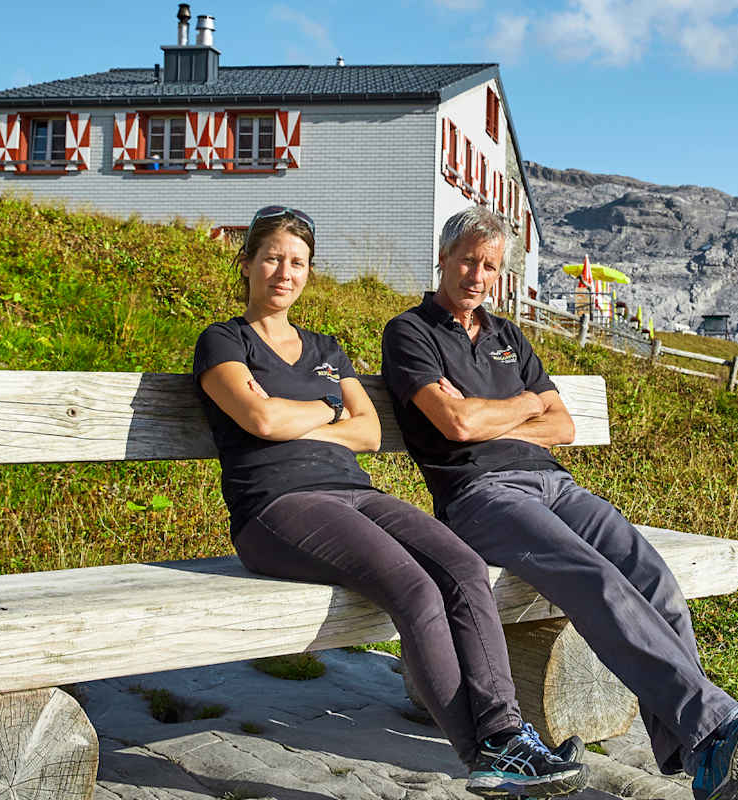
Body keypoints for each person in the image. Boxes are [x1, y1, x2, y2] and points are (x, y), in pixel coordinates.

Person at [380, 206, 738, 800]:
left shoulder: (507, 336)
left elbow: (563, 424)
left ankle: (700, 751)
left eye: (490, 266)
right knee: (594, 578)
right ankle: (719, 730)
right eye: (468, 261)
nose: (477, 275)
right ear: (443, 258)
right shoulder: (410, 332)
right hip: (480, 494)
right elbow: (458, 425)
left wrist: (502, 412)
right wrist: (524, 406)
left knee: (654, 578)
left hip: (554, 484)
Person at [193, 205, 588, 798]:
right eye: (272, 258)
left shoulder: (326, 348)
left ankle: (505, 733)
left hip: (355, 491)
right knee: (413, 587)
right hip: (276, 505)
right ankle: (482, 752)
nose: (284, 272)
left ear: (309, 272)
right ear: (246, 263)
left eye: (297, 262)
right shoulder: (224, 340)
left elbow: (369, 432)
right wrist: (329, 409)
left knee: (463, 567)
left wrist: (302, 419)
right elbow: (261, 419)